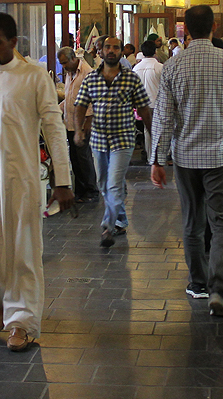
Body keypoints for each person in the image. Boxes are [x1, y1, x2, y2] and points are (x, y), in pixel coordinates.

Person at [0, 13, 73, 352]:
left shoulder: (34, 77)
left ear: (13, 43)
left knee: (23, 253)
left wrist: (62, 181)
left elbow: (54, 128)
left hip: (21, 178)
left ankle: (21, 324)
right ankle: (6, 296)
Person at [151, 5, 223, 317]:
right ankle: (220, 289)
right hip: (221, 156)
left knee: (192, 222)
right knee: (222, 223)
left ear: (185, 31)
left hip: (185, 157)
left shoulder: (172, 66)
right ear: (213, 27)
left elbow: (164, 117)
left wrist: (158, 159)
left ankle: (198, 283)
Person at [73, 36, 152, 247]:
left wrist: (152, 132)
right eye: (107, 47)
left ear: (121, 52)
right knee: (104, 184)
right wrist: (78, 130)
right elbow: (80, 105)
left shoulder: (131, 78)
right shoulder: (91, 79)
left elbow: (143, 107)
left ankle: (108, 226)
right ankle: (120, 219)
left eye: (115, 47)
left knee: (114, 183)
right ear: (101, 51)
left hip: (122, 140)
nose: (111, 51)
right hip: (98, 141)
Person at [57, 46, 99, 204]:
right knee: (75, 158)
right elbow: (69, 99)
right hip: (70, 123)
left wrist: (89, 120)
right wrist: (56, 109)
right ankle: (80, 190)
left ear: (74, 58)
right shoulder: (69, 74)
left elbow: (94, 99)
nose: (64, 66)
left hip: (82, 123)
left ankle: (91, 191)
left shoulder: (88, 73)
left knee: (84, 157)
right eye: (61, 63)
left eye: (65, 62)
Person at [131, 40, 163, 159]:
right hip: (157, 103)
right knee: (160, 130)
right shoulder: (159, 67)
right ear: (155, 51)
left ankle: (151, 156)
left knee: (147, 131)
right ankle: (160, 155)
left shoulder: (136, 69)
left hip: (142, 106)